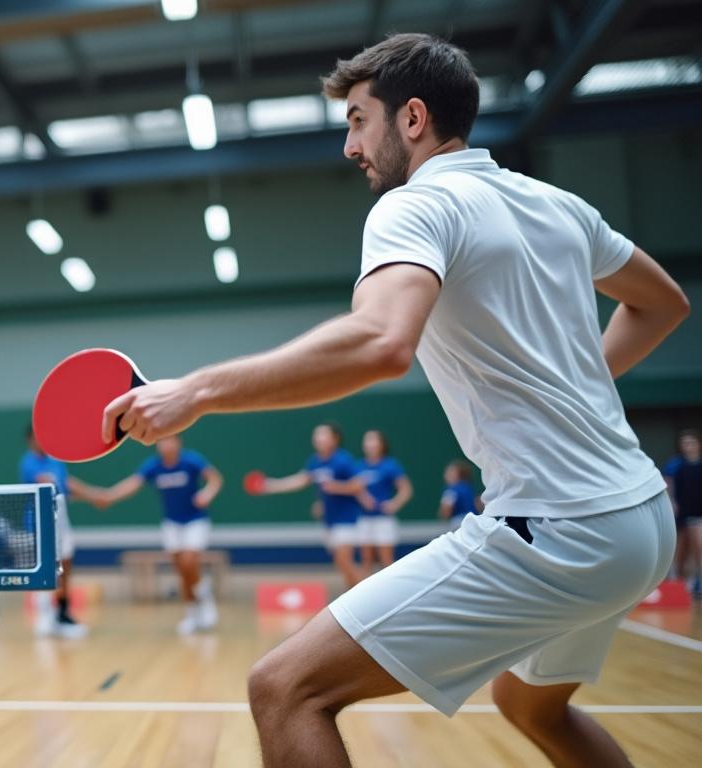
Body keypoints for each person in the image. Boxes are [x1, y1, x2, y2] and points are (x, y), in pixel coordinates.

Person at [99, 34, 688, 767]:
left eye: (357, 120)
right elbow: (663, 304)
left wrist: (196, 391)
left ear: (412, 118)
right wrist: (576, 387)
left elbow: (380, 341)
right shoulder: (557, 204)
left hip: (563, 527)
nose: (350, 145)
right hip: (643, 520)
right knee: (530, 705)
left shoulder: (416, 206)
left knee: (285, 689)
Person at [85, 435, 223, 635]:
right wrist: (109, 496)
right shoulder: (154, 466)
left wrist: (207, 493)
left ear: (178, 443)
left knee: (189, 561)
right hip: (171, 524)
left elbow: (215, 478)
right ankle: (192, 613)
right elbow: (133, 483)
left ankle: (204, 596)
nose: (166, 445)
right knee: (181, 570)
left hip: (195, 521)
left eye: (170, 440)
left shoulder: (191, 461)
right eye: (162, 442)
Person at [256, 424, 363, 589]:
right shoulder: (315, 461)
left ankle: (366, 593)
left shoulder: (343, 460)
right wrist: (271, 485)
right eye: (316, 435)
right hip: (329, 521)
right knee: (340, 563)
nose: (318, 438)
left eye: (323, 435)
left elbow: (358, 485)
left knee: (344, 559)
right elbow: (300, 480)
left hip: (346, 519)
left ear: (334, 439)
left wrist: (337, 487)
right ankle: (353, 593)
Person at [19, 426, 90, 639]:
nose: (41, 442)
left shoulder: (57, 462)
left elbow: (66, 488)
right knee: (46, 567)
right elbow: (49, 483)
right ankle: (44, 616)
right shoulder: (28, 463)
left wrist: (94, 496)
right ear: (30, 441)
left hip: (61, 518)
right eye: (36, 438)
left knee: (66, 564)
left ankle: (63, 613)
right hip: (41, 522)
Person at [353, 429, 411, 571]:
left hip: (384, 519)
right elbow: (353, 488)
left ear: (382, 444)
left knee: (386, 560)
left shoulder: (390, 465)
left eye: (374, 440)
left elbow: (406, 489)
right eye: (367, 440)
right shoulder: (358, 466)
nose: (370, 444)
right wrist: (363, 498)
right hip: (364, 519)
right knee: (366, 560)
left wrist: (394, 503)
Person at [664, 429, 702, 595]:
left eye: (691, 442)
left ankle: (696, 580)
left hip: (698, 512)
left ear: (698, 444)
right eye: (684, 443)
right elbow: (668, 485)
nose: (688, 446)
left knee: (698, 546)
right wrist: (672, 503)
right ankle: (677, 584)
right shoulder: (675, 464)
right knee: (681, 548)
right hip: (681, 512)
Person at [438, 459, 479, 532]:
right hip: (475, 523)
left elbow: (446, 510)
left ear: (458, 474)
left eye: (450, 472)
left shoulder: (451, 490)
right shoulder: (469, 488)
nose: (446, 475)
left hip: (459, 525)